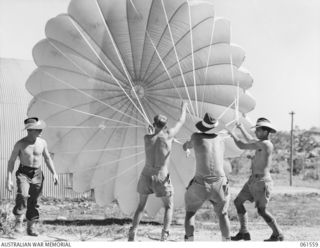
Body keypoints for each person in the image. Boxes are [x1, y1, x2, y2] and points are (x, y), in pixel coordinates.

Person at [128, 102, 188, 241]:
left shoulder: (146, 138)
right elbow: (181, 121)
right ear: (165, 126)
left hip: (145, 175)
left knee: (141, 206)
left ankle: (133, 232)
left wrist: (152, 130)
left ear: (154, 124)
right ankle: (164, 235)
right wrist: (184, 108)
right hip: (161, 176)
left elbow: (151, 135)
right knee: (169, 206)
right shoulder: (168, 135)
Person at [228, 117, 284, 241]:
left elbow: (242, 145)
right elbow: (251, 139)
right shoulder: (261, 142)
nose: (256, 131)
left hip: (262, 182)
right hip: (253, 181)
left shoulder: (265, 144)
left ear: (265, 132)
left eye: (258, 130)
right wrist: (241, 127)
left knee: (262, 211)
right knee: (238, 202)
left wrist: (232, 134)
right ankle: (244, 232)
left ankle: (278, 233)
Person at [6, 117, 59, 236]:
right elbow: (11, 161)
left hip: (37, 174)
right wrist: (8, 179)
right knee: (23, 195)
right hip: (23, 173)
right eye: (38, 129)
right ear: (30, 130)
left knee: (34, 200)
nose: (41, 131)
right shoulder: (20, 144)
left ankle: (31, 227)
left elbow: (47, 158)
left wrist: (54, 172)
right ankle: (18, 222)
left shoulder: (42, 142)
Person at [182, 113, 231, 241]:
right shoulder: (221, 138)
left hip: (201, 184)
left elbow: (186, 145)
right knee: (223, 214)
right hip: (220, 182)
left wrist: (187, 148)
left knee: (190, 212)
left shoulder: (196, 137)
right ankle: (227, 241)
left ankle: (189, 240)